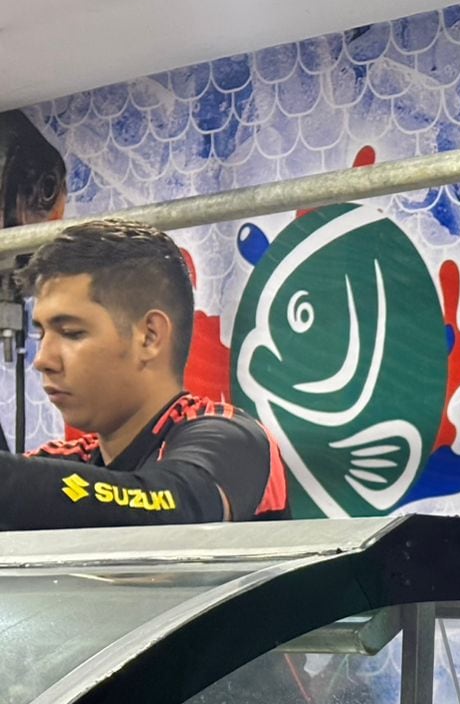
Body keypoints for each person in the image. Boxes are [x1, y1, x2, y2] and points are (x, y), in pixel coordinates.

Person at [3, 217, 287, 528]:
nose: (43, 359)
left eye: (71, 332)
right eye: (42, 333)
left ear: (149, 337)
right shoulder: (71, 459)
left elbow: (181, 507)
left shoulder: (231, 438)